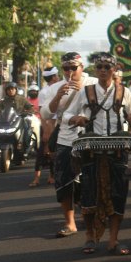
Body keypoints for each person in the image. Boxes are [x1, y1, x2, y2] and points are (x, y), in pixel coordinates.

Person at [65, 52, 131, 256]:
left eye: (108, 67)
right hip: (91, 151)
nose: (104, 70)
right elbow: (67, 115)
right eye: (100, 67)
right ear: (95, 70)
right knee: (89, 194)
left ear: (115, 69)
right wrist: (77, 119)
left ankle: (113, 239)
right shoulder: (86, 91)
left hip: (117, 151)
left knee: (118, 195)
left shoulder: (124, 92)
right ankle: (90, 236)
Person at [41, 53, 97, 239]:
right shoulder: (55, 87)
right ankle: (70, 223)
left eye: (74, 67)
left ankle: (92, 217)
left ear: (82, 67)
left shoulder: (93, 82)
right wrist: (58, 96)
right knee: (64, 181)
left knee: (92, 179)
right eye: (66, 68)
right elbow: (46, 114)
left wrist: (84, 91)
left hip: (91, 137)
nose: (70, 72)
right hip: (66, 138)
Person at [33, 67, 61, 187]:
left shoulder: (58, 88)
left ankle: (52, 176)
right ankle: (36, 178)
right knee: (43, 152)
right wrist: (46, 130)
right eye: (57, 75)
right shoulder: (44, 92)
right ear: (53, 77)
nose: (58, 77)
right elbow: (42, 113)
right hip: (48, 126)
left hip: (57, 124)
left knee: (54, 152)